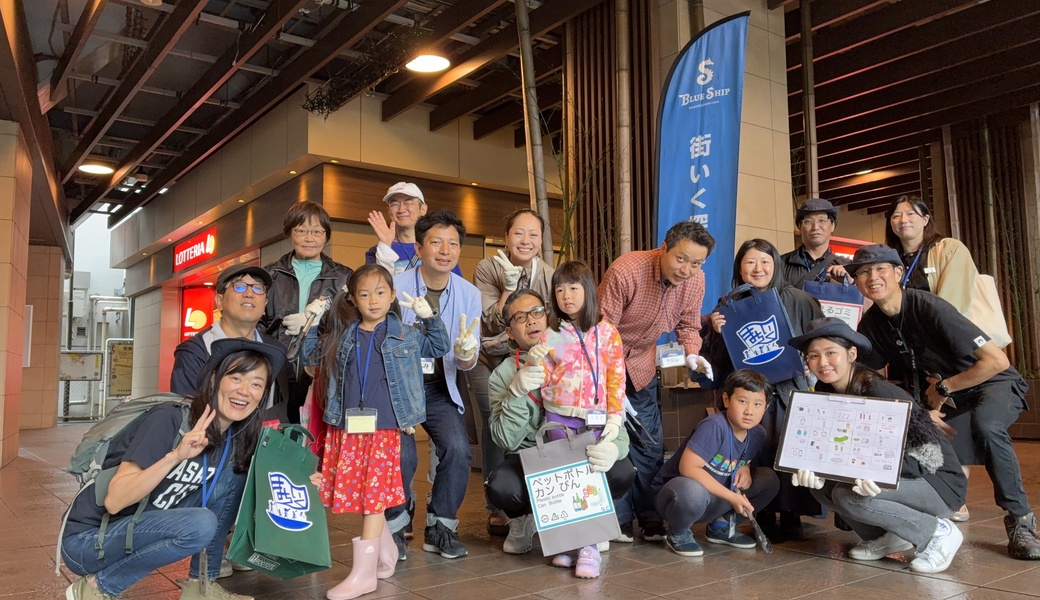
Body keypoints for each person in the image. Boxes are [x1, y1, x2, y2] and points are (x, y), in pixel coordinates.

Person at [847, 244, 1040, 560]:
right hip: (945, 395)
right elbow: (863, 372)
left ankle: (1021, 522)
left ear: (898, 273)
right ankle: (921, 518)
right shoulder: (872, 324)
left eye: (881, 269)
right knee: (916, 439)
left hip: (990, 382)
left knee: (988, 427)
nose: (872, 277)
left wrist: (946, 388)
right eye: (864, 272)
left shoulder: (928, 307)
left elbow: (996, 362)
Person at [60, 339, 289, 600]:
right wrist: (175, 456)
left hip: (141, 524)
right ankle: (97, 588)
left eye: (257, 384)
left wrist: (303, 483)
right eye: (236, 378)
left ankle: (200, 586)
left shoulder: (234, 437)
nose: (245, 391)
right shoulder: (169, 419)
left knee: (235, 476)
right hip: (89, 542)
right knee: (200, 524)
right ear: (214, 380)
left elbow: (265, 484)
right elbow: (115, 501)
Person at [305, 265, 449, 600]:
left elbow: (439, 346)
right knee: (364, 494)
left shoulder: (407, 334)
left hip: (386, 427)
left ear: (393, 296)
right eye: (365, 294)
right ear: (352, 299)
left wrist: (429, 315)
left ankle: (364, 574)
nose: (373, 300)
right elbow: (309, 355)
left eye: (381, 292)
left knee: (372, 497)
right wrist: (310, 323)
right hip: (349, 426)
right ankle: (384, 555)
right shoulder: (343, 335)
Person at [788, 317, 967, 573]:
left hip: (936, 482)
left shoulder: (879, 392)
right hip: (898, 479)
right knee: (822, 486)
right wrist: (817, 468)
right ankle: (884, 536)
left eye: (831, 353)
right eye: (813, 356)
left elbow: (928, 455)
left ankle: (937, 532)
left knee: (849, 496)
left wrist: (880, 474)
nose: (822, 363)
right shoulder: (827, 396)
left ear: (851, 354)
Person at [484, 289, 635, 575]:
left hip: (579, 454)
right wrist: (517, 390)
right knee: (501, 487)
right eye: (520, 317)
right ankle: (525, 518)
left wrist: (613, 447)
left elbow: (615, 415)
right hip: (534, 459)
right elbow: (505, 439)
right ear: (510, 332)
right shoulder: (503, 374)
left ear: (550, 316)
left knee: (622, 469)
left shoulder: (587, 358)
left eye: (538, 312)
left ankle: (592, 519)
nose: (532, 321)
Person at [597, 220, 716, 543]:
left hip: (643, 365)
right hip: (606, 365)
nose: (687, 270)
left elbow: (689, 326)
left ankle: (649, 515)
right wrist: (611, 387)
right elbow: (602, 329)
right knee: (614, 444)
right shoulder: (627, 270)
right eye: (681, 259)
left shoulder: (696, 280)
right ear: (663, 248)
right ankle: (618, 519)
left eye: (696, 263)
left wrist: (692, 354)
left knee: (649, 445)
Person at [705, 238, 823, 538]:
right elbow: (717, 362)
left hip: (789, 392)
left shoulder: (799, 299)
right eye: (750, 262)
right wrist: (715, 331)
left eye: (765, 262)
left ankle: (793, 511)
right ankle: (764, 510)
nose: (758, 269)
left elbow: (819, 338)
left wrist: (812, 362)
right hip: (749, 395)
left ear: (776, 265)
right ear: (740, 268)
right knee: (755, 451)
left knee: (788, 446)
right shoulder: (727, 306)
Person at [886, 195, 986, 522]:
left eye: (911, 213)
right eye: (896, 215)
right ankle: (928, 490)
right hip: (905, 353)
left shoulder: (948, 249)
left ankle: (956, 495)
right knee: (918, 422)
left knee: (955, 423)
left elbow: (950, 304)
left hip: (945, 352)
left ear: (927, 218)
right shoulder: (891, 260)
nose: (903, 219)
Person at [391, 211, 481, 559]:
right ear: (419, 247)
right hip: (399, 388)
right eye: (436, 242)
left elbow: (467, 359)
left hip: (440, 385)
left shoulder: (469, 293)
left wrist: (466, 353)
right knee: (402, 454)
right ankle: (396, 525)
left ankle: (441, 525)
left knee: (458, 450)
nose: (445, 250)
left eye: (453, 243)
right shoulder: (396, 286)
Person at [528, 260, 626, 574]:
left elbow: (616, 378)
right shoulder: (550, 334)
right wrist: (531, 368)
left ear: (588, 289)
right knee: (565, 481)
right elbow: (542, 375)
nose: (566, 295)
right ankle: (570, 545)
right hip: (558, 416)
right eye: (559, 289)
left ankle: (589, 548)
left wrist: (615, 416)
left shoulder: (608, 333)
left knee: (588, 480)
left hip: (594, 419)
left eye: (573, 287)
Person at [470, 208, 554, 535]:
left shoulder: (548, 273)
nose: (526, 240)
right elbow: (489, 321)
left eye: (534, 234)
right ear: (506, 237)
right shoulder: (487, 267)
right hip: (489, 358)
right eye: (519, 233)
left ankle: (539, 501)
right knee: (496, 423)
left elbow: (546, 323)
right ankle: (498, 507)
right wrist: (506, 290)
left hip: (531, 358)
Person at [652, 369, 780, 556]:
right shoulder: (714, 426)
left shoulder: (758, 433)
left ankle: (721, 527)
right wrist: (732, 497)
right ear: (727, 400)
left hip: (715, 497)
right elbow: (688, 467)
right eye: (742, 401)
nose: (749, 411)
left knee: (768, 479)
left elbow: (743, 456)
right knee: (692, 490)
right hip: (678, 499)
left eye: (757, 404)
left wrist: (745, 467)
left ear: (766, 407)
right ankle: (679, 532)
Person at [262, 201, 353, 424]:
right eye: (301, 231)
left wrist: (315, 323)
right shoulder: (270, 275)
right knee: (278, 432)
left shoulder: (344, 277)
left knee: (317, 432)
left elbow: (349, 326)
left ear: (326, 235)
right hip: (278, 368)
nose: (309, 238)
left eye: (317, 232)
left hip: (322, 367)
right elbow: (259, 323)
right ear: (289, 233)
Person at [171, 265, 288, 412]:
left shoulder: (276, 352)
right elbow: (184, 415)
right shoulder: (194, 352)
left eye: (258, 288)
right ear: (220, 301)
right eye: (239, 287)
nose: (249, 294)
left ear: (265, 305)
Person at [366, 182, 461, 276]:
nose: (401, 209)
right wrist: (385, 246)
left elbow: (456, 286)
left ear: (423, 209)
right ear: (388, 211)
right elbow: (375, 287)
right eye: (395, 204)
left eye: (408, 202)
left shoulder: (439, 249)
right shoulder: (377, 251)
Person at [780, 198, 851, 287]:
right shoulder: (780, 264)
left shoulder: (847, 266)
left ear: (832, 226)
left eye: (821, 221)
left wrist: (850, 282)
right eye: (808, 222)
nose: (815, 227)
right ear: (799, 227)